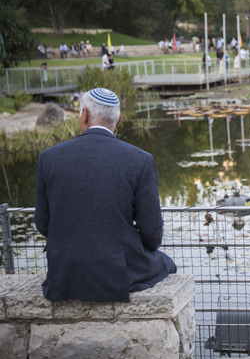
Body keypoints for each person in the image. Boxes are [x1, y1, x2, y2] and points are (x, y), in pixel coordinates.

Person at [34, 88, 177, 302]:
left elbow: (43, 224)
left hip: (64, 271)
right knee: (167, 263)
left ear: (84, 115)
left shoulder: (48, 158)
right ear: (118, 120)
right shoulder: (140, 160)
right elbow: (152, 235)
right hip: (117, 271)